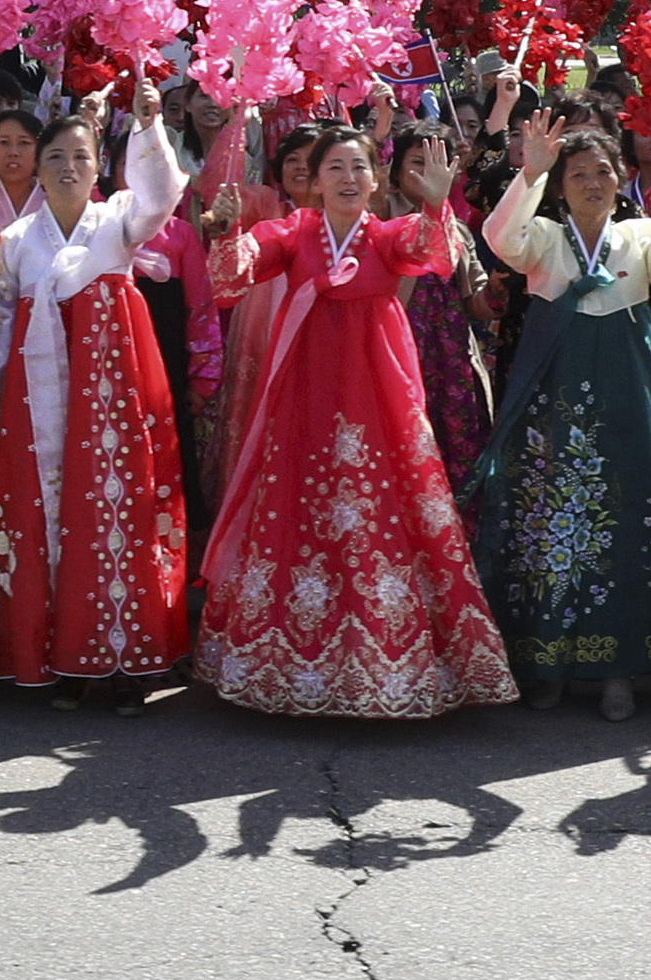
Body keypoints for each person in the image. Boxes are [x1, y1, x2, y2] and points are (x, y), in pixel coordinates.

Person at [198, 122, 516, 719]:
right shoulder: (293, 232)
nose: (348, 179)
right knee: (296, 512)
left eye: (359, 168)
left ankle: (395, 664)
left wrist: (435, 199)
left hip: (378, 402)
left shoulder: (388, 236)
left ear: (375, 180)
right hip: (305, 397)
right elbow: (235, 274)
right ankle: (290, 666)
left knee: (385, 511)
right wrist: (225, 225)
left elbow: (432, 252)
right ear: (314, 181)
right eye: (335, 168)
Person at [472, 110, 651, 721]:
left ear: (621, 180)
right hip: (553, 403)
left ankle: (620, 671)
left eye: (604, 172)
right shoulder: (545, 240)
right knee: (550, 524)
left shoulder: (640, 236)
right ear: (560, 188)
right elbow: (500, 238)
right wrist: (528, 174)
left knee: (633, 521)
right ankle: (547, 663)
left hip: (630, 399)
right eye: (578, 173)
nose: (593, 182)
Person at [0, 82, 189, 706]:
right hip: (37, 408)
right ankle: (60, 662)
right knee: (47, 523)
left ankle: (127, 662)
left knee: (116, 515)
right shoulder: (16, 243)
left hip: (114, 400)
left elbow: (160, 198)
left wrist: (150, 125)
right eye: (55, 158)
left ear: (99, 163)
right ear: (37, 170)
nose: (68, 167)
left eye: (81, 156)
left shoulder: (119, 221)